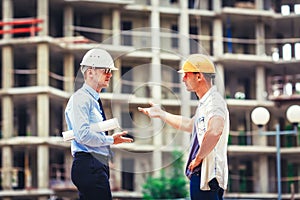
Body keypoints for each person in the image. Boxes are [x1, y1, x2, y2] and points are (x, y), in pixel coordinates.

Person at [138, 54, 229, 200]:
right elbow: (189, 124)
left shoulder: (214, 102)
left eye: (186, 75)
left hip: (205, 176)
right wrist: (161, 114)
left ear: (198, 76)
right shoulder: (206, 103)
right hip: (204, 176)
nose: (183, 79)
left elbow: (215, 131)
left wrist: (198, 159)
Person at [65, 48, 133, 200]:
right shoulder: (81, 99)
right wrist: (110, 140)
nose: (109, 75)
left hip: (96, 165)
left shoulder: (93, 100)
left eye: (110, 71)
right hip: (89, 164)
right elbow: (83, 135)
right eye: (105, 71)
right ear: (90, 72)